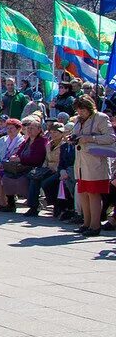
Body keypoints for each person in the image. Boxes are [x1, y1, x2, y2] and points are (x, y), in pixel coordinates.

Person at [70, 95, 113, 237]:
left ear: (89, 107)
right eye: (78, 110)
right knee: (83, 193)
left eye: (82, 110)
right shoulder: (78, 120)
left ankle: (95, 225)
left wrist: (90, 138)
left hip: (96, 163)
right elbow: (76, 134)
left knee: (93, 194)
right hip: (81, 163)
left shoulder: (101, 118)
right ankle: (86, 222)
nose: (80, 113)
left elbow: (110, 137)